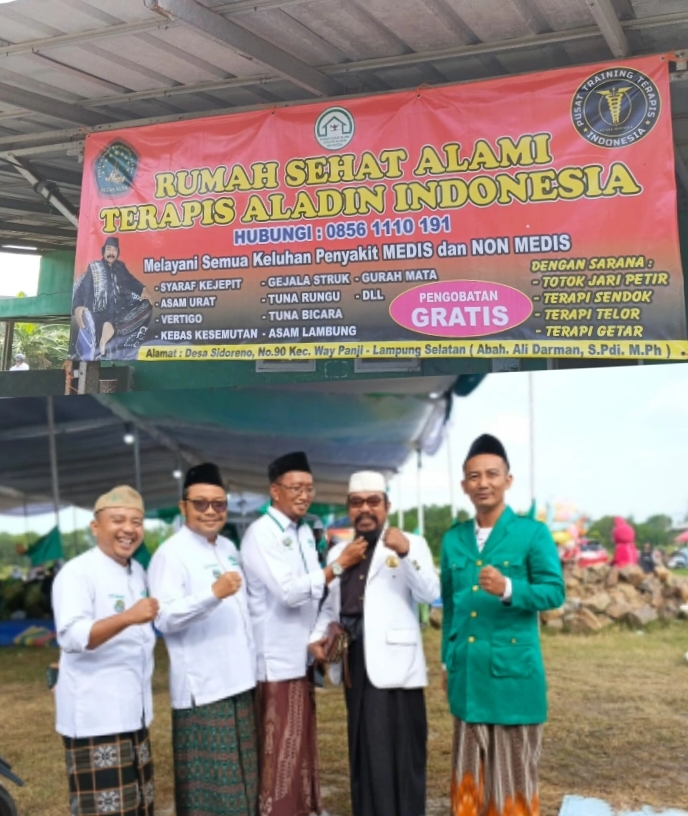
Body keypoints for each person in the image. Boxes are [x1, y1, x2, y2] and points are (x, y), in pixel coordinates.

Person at [441, 434, 565, 816]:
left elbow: (553, 592)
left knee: (512, 786)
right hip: (468, 676)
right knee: (468, 786)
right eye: (474, 476)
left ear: (507, 480)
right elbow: (451, 608)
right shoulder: (453, 539)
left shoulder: (532, 533)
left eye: (492, 474)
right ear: (464, 486)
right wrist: (447, 661)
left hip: (514, 681)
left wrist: (509, 587)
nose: (483, 483)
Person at [241, 451, 366, 816]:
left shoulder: (304, 533)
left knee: (302, 746)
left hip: (301, 654)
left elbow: (316, 596)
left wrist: (320, 632)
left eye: (309, 488)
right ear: (275, 491)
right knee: (281, 750)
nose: (304, 494)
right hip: (275, 660)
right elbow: (289, 591)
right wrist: (339, 566)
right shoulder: (261, 534)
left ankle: (307, 809)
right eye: (295, 487)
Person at [310, 471, 440, 816]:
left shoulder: (412, 542)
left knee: (404, 749)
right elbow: (329, 605)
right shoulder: (339, 551)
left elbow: (430, 592)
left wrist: (407, 552)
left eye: (373, 502)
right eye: (357, 503)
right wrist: (316, 637)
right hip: (355, 662)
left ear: (387, 506)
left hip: (398, 664)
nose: (365, 509)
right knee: (366, 748)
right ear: (349, 508)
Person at [148, 462, 258, 816]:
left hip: (241, 680)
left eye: (219, 504)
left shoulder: (227, 547)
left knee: (245, 785)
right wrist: (212, 594)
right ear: (183, 507)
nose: (211, 511)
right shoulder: (170, 554)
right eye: (201, 503)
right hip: (204, 689)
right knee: (212, 794)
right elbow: (164, 618)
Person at [52, 486, 158, 816]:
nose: (129, 529)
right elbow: (72, 636)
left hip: (134, 711)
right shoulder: (77, 573)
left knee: (138, 804)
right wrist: (129, 616)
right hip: (95, 716)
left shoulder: (137, 571)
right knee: (104, 808)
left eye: (137, 521)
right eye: (118, 520)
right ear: (95, 526)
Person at [72, 236, 152, 360]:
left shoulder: (121, 267)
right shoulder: (94, 268)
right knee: (93, 319)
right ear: (103, 251)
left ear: (117, 253)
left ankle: (112, 328)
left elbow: (132, 281)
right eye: (109, 249)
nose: (111, 253)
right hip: (100, 313)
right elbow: (82, 290)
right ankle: (106, 332)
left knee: (147, 306)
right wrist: (77, 307)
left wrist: (143, 289)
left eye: (114, 250)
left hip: (120, 313)